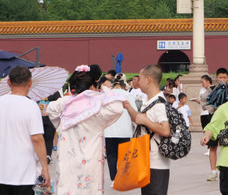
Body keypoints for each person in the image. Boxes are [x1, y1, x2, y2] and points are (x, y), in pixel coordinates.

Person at [47, 65, 126, 194]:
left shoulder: (65, 104)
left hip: (67, 163)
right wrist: (104, 89)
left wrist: (61, 124)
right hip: (90, 162)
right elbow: (117, 108)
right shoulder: (96, 107)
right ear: (93, 85)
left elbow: (51, 109)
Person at [0, 66, 50, 194]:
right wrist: (45, 168)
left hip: (0, 170)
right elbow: (37, 138)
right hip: (23, 171)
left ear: (9, 82)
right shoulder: (31, 106)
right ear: (30, 83)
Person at [123, 64, 172, 195]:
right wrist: (127, 107)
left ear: (148, 80)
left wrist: (145, 120)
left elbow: (165, 130)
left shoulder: (159, 103)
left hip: (157, 163)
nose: (138, 81)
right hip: (147, 161)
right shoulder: (148, 100)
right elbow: (138, 119)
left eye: (140, 78)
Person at [103, 73, 137, 183]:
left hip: (109, 131)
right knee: (124, 157)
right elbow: (134, 112)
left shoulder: (108, 95)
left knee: (111, 156)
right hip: (124, 131)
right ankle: (122, 178)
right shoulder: (128, 95)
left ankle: (113, 179)